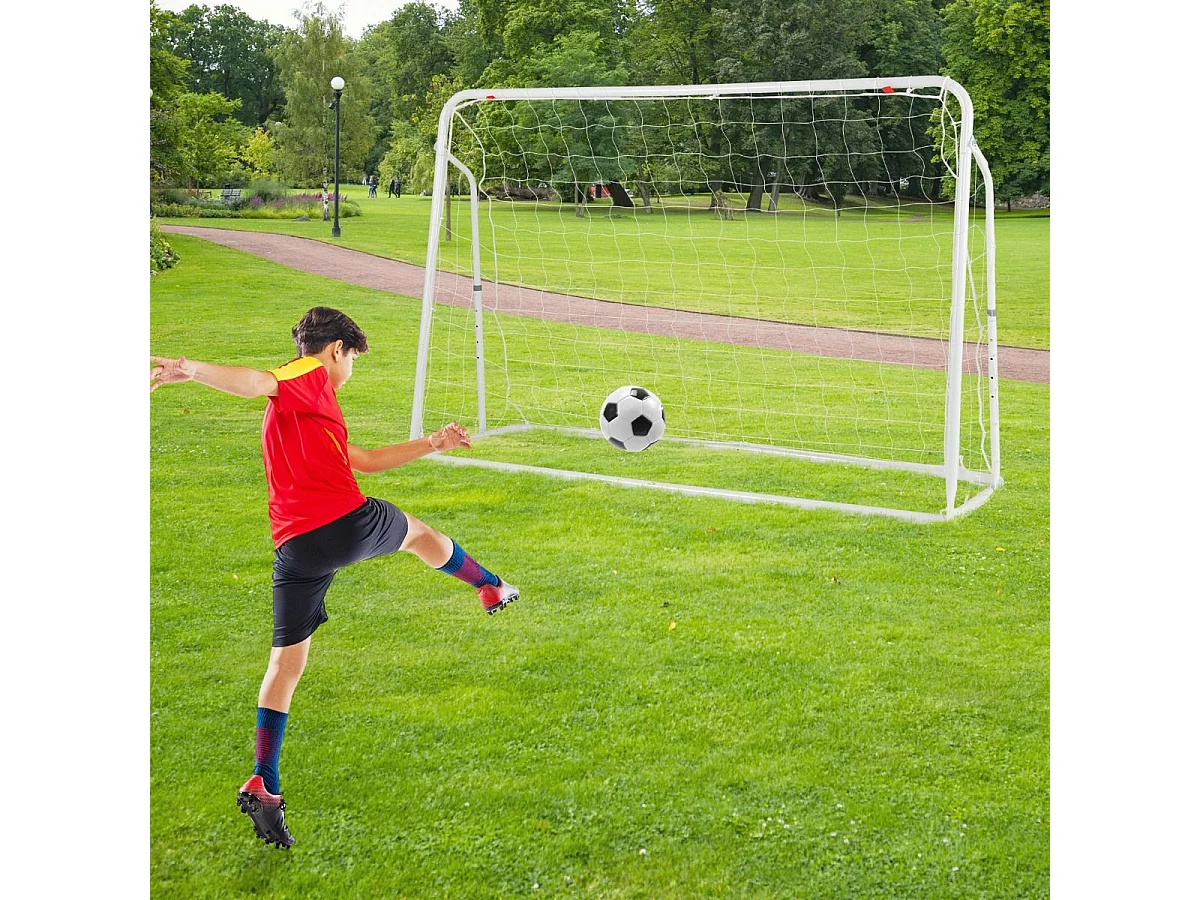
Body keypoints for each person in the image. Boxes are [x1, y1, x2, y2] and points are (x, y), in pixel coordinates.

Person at [149, 307, 520, 849]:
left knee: (285, 664)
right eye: (353, 359)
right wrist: (192, 369)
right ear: (336, 350)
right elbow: (257, 381)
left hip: (295, 549)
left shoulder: (306, 407)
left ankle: (264, 780)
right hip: (343, 525)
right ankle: (489, 585)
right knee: (419, 534)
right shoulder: (307, 374)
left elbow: (361, 459)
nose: (350, 371)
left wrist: (432, 442)